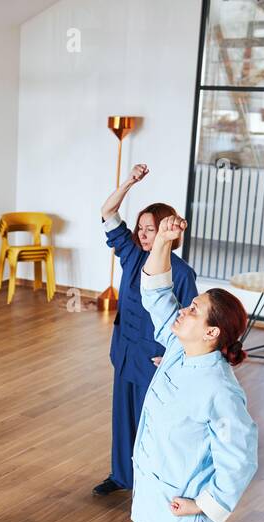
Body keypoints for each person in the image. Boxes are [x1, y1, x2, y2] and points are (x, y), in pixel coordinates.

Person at [116, 214, 257, 522]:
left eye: (193, 309)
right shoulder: (180, 346)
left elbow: (242, 455)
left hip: (183, 513)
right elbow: (154, 287)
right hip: (153, 496)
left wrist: (206, 504)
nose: (183, 308)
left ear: (213, 332)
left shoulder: (220, 387)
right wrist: (167, 241)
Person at [94, 164, 199, 498]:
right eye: (140, 228)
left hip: (155, 358)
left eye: (149, 229)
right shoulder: (131, 256)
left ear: (167, 233)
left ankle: (150, 485)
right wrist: (130, 182)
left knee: (150, 424)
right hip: (125, 352)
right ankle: (122, 476)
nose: (141, 234)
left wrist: (173, 355)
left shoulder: (182, 273)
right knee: (122, 418)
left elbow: (191, 321)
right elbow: (108, 211)